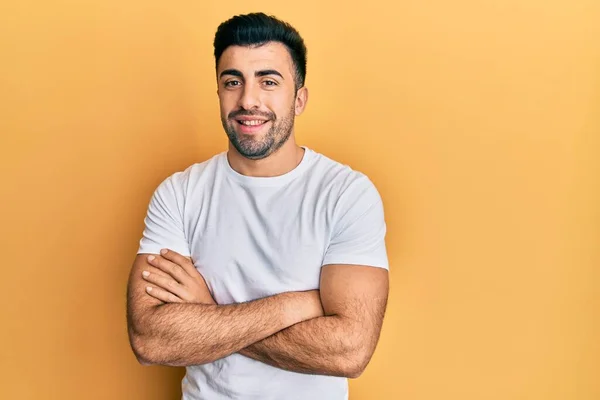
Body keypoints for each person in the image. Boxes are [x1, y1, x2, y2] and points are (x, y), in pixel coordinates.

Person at [126, 12, 389, 400]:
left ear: (299, 98)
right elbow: (150, 339)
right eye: (233, 82)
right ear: (218, 92)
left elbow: (350, 350)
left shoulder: (346, 194)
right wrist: (294, 306)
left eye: (268, 81)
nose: (248, 100)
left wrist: (207, 311)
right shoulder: (179, 193)